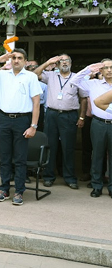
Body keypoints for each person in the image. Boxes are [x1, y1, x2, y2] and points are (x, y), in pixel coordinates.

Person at [0, 49, 42, 206]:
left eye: (20, 58)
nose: (16, 60)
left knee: (20, 158)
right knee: (4, 157)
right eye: (13, 58)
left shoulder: (31, 77)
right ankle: (4, 189)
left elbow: (36, 103)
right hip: (4, 119)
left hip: (22, 120)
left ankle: (19, 191)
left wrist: (33, 126)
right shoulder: (2, 75)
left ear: (25, 61)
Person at [33, 54, 87, 190]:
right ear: (57, 64)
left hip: (69, 116)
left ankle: (69, 178)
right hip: (51, 114)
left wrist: (81, 117)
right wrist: (47, 63)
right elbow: (34, 74)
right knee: (50, 146)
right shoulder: (51, 75)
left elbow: (84, 98)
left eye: (66, 60)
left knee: (68, 147)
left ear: (71, 63)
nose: (64, 63)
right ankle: (48, 177)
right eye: (61, 61)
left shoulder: (77, 77)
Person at [70, 59, 112, 198]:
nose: (109, 70)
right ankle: (96, 185)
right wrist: (88, 69)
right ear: (101, 70)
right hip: (98, 123)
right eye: (106, 67)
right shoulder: (93, 84)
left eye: (111, 67)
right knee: (97, 155)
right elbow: (74, 81)